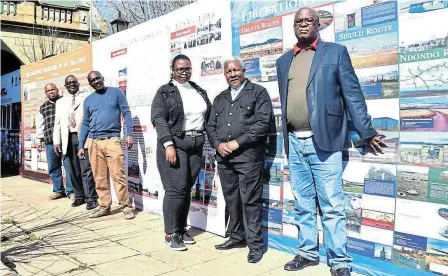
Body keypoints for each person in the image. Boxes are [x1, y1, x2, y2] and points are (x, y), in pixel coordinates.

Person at [275, 7, 386, 276]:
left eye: (308, 20)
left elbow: (352, 94)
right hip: (294, 142)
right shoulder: (282, 61)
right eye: (298, 21)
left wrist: (366, 131)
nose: (303, 24)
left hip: (324, 142)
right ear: (294, 26)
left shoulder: (335, 52)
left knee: (332, 206)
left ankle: (339, 262)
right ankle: (307, 252)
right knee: (302, 204)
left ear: (317, 25)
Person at [206, 57, 273, 263]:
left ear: (244, 71)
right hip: (224, 159)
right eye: (228, 72)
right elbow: (210, 126)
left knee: (250, 202)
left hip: (248, 158)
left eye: (236, 70)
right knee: (232, 200)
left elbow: (262, 124)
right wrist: (218, 144)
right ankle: (236, 237)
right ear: (224, 75)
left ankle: (255, 246)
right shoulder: (220, 98)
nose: (233, 74)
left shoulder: (259, 93)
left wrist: (237, 143)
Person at [151, 54, 211, 251]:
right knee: (175, 189)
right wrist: (168, 144)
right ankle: (171, 233)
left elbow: (209, 116)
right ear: (172, 70)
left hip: (196, 144)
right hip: (176, 143)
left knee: (186, 188)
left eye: (187, 69)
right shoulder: (165, 91)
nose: (184, 72)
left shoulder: (198, 90)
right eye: (180, 69)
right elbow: (158, 118)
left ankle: (181, 228)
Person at [78, 71, 135, 220]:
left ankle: (126, 206)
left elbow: (126, 113)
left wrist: (129, 133)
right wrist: (80, 145)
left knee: (118, 175)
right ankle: (104, 206)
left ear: (102, 78)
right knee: (99, 177)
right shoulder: (89, 100)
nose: (96, 81)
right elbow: (85, 123)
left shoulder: (116, 92)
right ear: (90, 84)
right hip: (94, 142)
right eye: (92, 80)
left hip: (112, 140)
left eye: (97, 78)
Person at [53, 75, 98, 210]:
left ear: (78, 84)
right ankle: (79, 196)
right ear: (65, 86)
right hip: (67, 139)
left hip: (82, 137)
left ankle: (91, 198)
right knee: (72, 169)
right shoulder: (60, 102)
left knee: (86, 168)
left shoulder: (86, 98)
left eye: (74, 82)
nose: (72, 84)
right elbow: (57, 124)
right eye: (69, 83)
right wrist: (56, 142)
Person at [35, 83, 73, 201]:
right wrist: (39, 139)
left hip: (66, 139)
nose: (51, 92)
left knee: (68, 165)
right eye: (48, 91)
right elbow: (40, 125)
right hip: (50, 141)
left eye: (53, 89)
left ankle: (71, 191)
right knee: (53, 166)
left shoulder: (66, 102)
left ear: (58, 90)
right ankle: (58, 190)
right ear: (46, 93)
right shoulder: (43, 107)